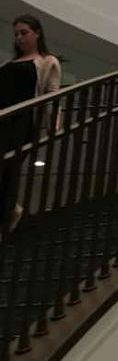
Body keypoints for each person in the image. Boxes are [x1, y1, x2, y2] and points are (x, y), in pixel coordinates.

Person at [0, 15, 62, 231]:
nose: (19, 38)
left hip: (22, 121)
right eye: (16, 34)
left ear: (37, 33)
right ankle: (10, 211)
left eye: (24, 32)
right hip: (3, 117)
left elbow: (52, 95)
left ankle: (6, 216)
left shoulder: (47, 61)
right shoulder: (8, 63)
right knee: (6, 168)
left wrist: (53, 125)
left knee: (7, 166)